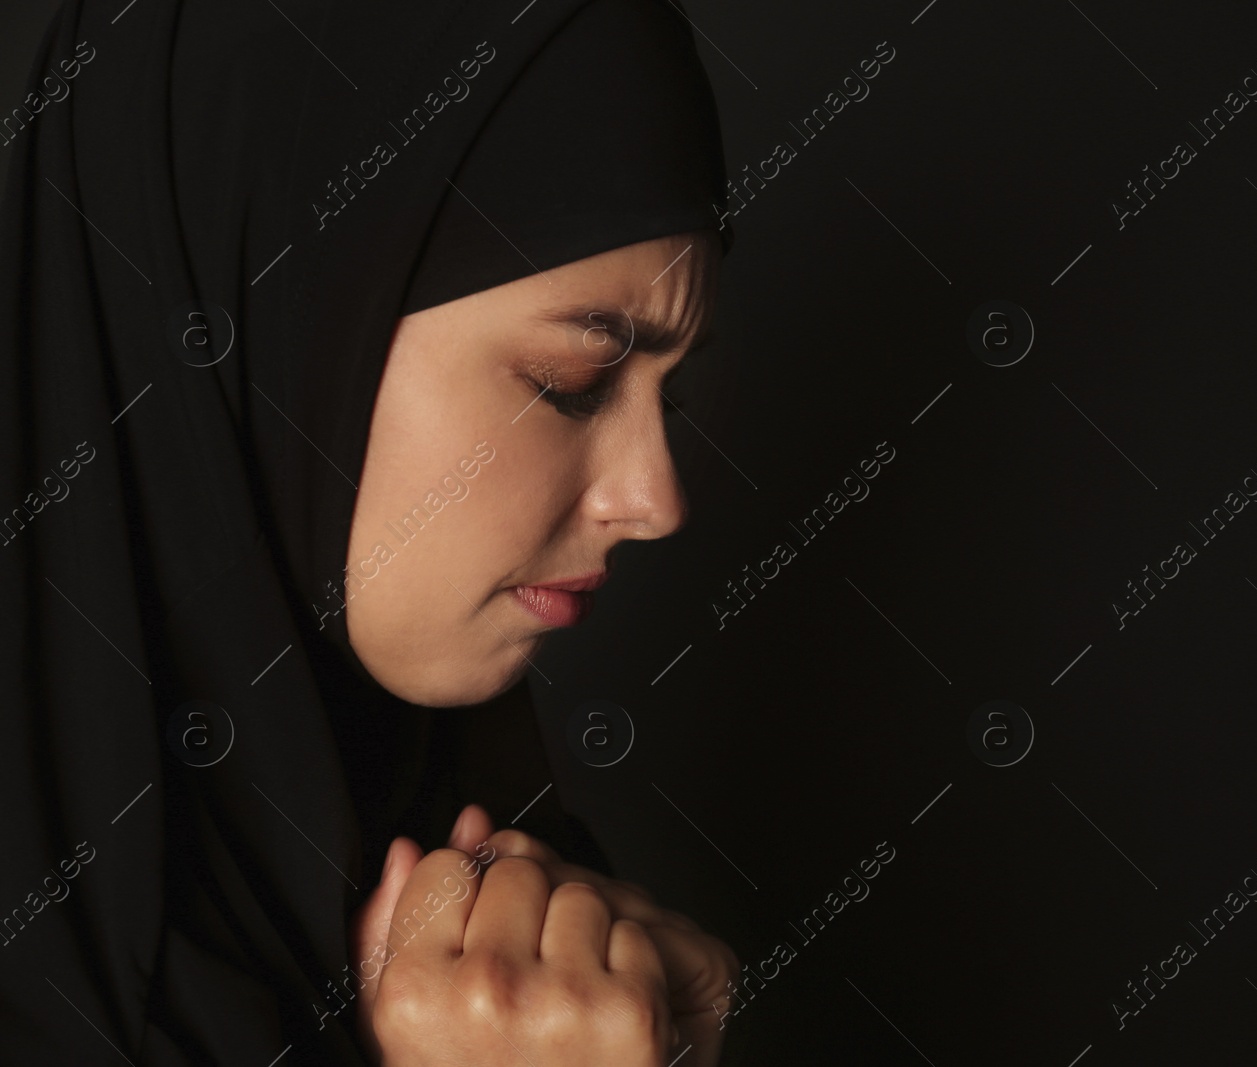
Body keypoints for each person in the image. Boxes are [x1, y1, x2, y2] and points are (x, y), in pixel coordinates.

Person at [0, 0, 738, 1063]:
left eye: (668, 397)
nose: (655, 500)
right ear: (268, 338)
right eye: (570, 381)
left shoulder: (528, 947)